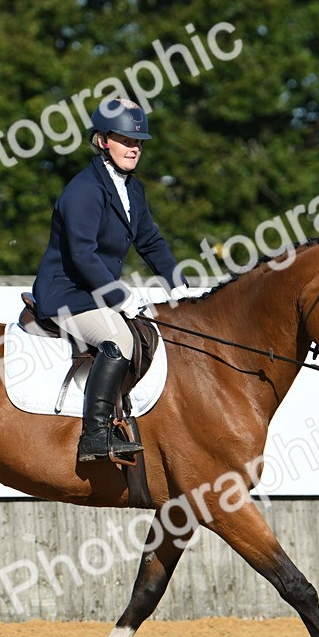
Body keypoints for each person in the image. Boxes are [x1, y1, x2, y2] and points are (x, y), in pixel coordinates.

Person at [31, 98, 189, 462]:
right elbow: (82, 255)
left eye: (138, 142)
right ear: (103, 140)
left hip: (95, 292)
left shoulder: (133, 189)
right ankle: (95, 436)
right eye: (125, 140)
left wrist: (178, 286)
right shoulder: (83, 189)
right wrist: (121, 295)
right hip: (67, 294)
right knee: (118, 337)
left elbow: (150, 241)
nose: (134, 148)